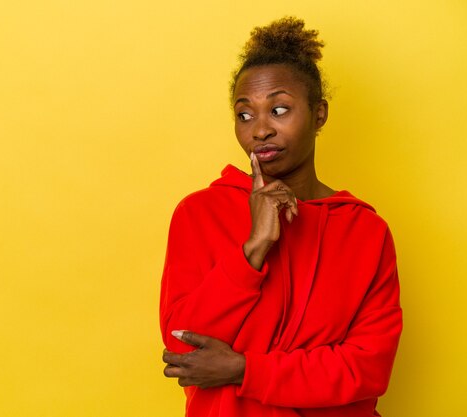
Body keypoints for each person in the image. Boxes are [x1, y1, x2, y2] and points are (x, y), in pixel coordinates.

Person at [159, 17, 402, 417]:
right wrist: (253, 250)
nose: (260, 130)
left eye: (279, 109)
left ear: (319, 114)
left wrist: (244, 370)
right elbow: (183, 353)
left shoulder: (365, 230)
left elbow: (367, 370)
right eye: (245, 115)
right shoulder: (198, 213)